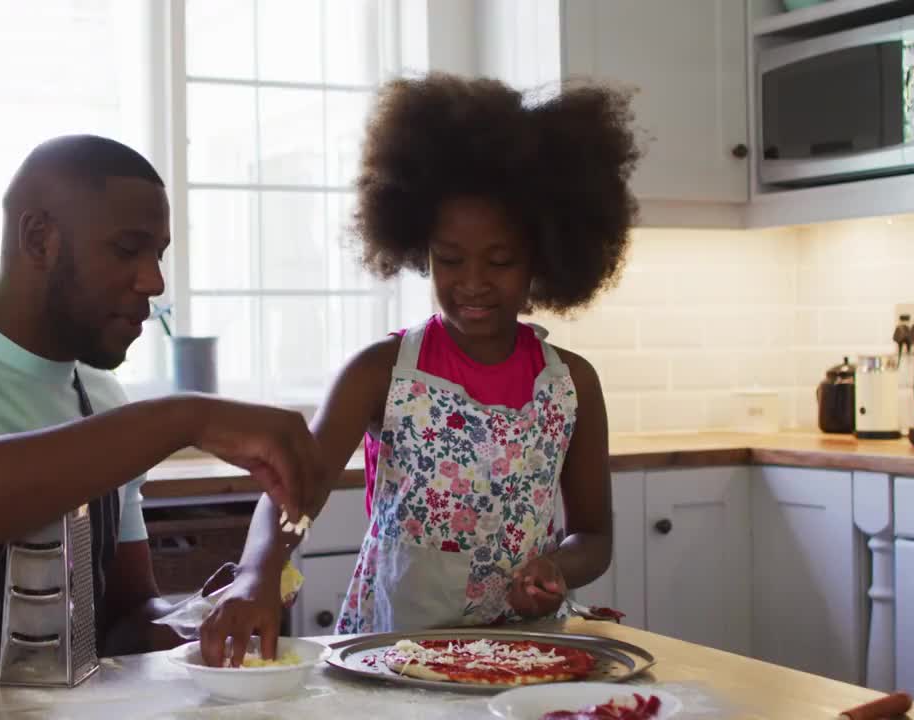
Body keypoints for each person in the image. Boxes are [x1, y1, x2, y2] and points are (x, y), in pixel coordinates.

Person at [0, 135, 322, 719]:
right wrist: (184, 417)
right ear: (38, 238)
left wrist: (197, 619)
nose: (154, 282)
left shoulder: (100, 398)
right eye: (128, 250)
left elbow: (124, 616)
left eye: (160, 255)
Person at [200, 72, 641, 656]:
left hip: (522, 652)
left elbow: (595, 536)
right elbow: (293, 492)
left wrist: (556, 569)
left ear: (543, 256)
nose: (473, 283)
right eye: (450, 259)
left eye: (501, 260)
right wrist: (257, 573)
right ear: (418, 249)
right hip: (393, 648)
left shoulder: (571, 384)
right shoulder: (381, 371)